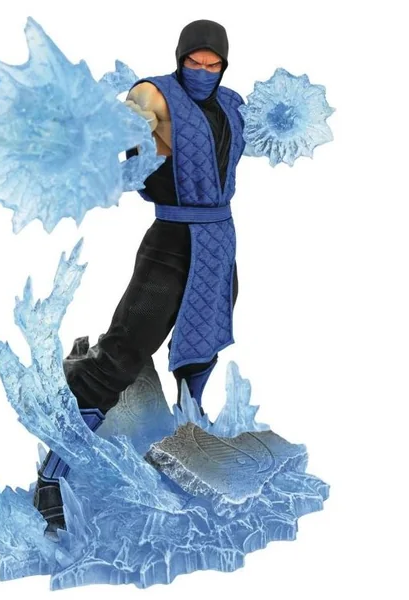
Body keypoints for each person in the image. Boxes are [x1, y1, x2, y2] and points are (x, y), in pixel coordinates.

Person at [35, 19, 246, 533]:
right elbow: (134, 123)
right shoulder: (157, 95)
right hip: (171, 242)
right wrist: (122, 128)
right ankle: (51, 477)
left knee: (203, 349)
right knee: (120, 355)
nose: (202, 70)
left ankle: (190, 449)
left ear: (223, 65)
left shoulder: (232, 104)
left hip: (219, 240)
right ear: (180, 59)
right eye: (193, 61)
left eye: (212, 63)